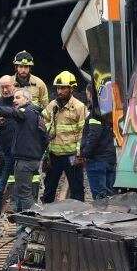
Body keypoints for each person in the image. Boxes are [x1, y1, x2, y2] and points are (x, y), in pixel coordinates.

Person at [0, 88, 48, 212]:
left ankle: (29, 224)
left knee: (24, 194)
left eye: (18, 97)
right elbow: (45, 138)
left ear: (27, 99)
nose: (14, 100)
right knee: (29, 192)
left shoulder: (25, 111)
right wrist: (38, 153)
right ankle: (25, 224)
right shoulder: (36, 114)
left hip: (24, 161)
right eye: (14, 98)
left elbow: (12, 112)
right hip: (33, 159)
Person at [42, 71, 87, 203]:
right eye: (58, 88)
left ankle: (78, 215)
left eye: (63, 88)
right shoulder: (52, 105)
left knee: (77, 188)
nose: (59, 91)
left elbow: (82, 132)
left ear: (71, 89)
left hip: (71, 156)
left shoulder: (79, 107)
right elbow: (43, 124)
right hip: (54, 154)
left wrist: (79, 154)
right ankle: (47, 215)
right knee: (49, 187)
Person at [0, 76, 18, 224]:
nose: (5, 90)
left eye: (8, 86)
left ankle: (23, 221)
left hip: (21, 155)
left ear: (14, 85)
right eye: (2, 87)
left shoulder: (19, 101)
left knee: (23, 190)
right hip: (4, 155)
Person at [80, 102, 117, 200]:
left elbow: (94, 136)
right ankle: (109, 214)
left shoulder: (95, 114)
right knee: (109, 196)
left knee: (99, 198)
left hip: (97, 160)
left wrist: (84, 153)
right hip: (110, 158)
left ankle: (102, 214)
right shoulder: (110, 111)